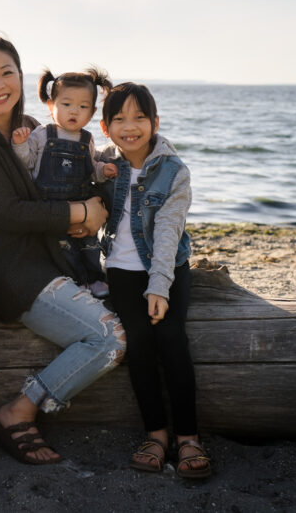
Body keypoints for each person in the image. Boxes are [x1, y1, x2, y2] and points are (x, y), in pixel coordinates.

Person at [0, 35, 126, 465]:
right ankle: (17, 411)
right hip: (10, 273)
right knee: (109, 339)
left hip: (49, 258)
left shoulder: (31, 129)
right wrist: (79, 212)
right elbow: (9, 213)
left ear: (22, 77)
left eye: (7, 72)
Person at [97, 81, 212, 479]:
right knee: (139, 342)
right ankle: (156, 434)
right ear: (105, 126)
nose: (130, 126)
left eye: (140, 117)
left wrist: (159, 285)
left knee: (171, 338)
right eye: (119, 119)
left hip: (168, 268)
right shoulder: (103, 167)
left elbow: (168, 229)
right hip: (120, 270)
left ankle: (188, 437)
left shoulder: (174, 171)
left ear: (156, 122)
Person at [12, 68, 117, 298]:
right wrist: (20, 144)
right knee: (64, 249)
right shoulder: (41, 134)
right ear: (51, 106)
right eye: (67, 104)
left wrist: (103, 171)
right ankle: (77, 282)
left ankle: (95, 279)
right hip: (51, 207)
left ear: (92, 112)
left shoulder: (87, 139)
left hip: (80, 202)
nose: (74, 112)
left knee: (89, 244)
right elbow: (28, 162)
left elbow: (90, 169)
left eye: (82, 107)